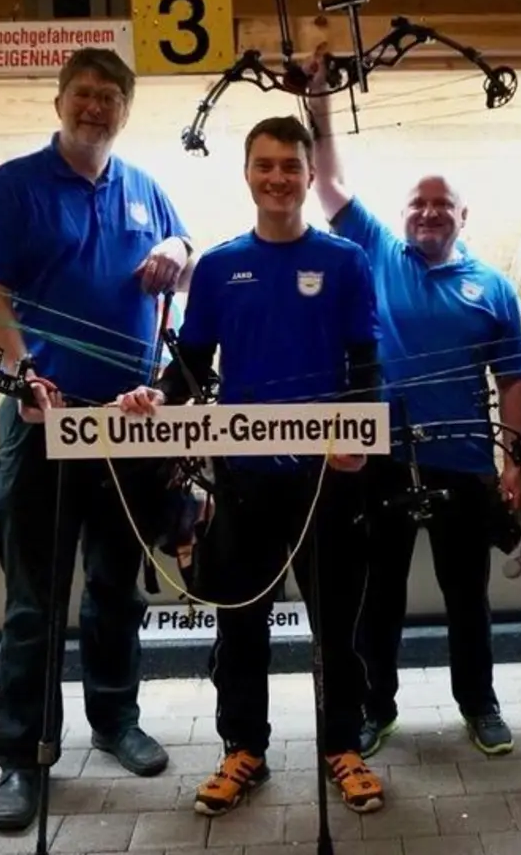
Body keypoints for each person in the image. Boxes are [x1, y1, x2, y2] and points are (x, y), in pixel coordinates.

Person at [116, 116, 386, 817]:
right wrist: (158, 394)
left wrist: (358, 432)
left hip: (327, 477)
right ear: (247, 174)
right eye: (264, 165)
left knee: (337, 621)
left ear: (306, 174)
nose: (277, 178)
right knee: (239, 620)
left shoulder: (346, 261)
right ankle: (244, 750)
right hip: (240, 480)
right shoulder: (219, 267)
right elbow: (190, 367)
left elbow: (366, 364)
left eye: (290, 167)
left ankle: (341, 746)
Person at [0, 47, 194, 831]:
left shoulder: (145, 189)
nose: (96, 107)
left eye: (110, 97)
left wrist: (178, 252)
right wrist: (24, 376)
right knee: (33, 603)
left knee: (115, 589)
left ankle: (115, 722)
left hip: (127, 422)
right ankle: (22, 759)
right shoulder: (15, 186)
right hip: (43, 420)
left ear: (126, 110)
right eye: (84, 94)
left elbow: (186, 255)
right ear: (60, 102)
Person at [298, 58, 521, 758]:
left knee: (468, 596)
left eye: (443, 205)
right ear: (402, 214)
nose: (429, 213)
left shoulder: (490, 286)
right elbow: (331, 183)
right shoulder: (373, 249)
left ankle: (479, 704)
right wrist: (319, 106)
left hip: (461, 464)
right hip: (382, 459)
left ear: (463, 215)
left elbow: (516, 379)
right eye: (418, 204)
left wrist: (513, 458)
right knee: (380, 596)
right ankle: (377, 708)